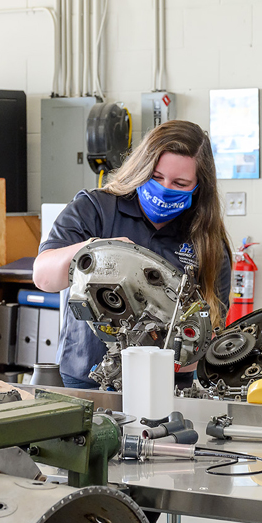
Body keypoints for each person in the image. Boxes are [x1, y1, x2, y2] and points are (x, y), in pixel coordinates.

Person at [34, 120, 232, 388]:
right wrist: (97, 251)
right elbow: (44, 278)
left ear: (199, 187)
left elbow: (212, 325)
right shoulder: (95, 208)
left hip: (168, 385)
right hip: (87, 379)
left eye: (180, 183)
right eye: (156, 177)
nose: (165, 188)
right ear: (141, 168)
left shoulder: (206, 240)